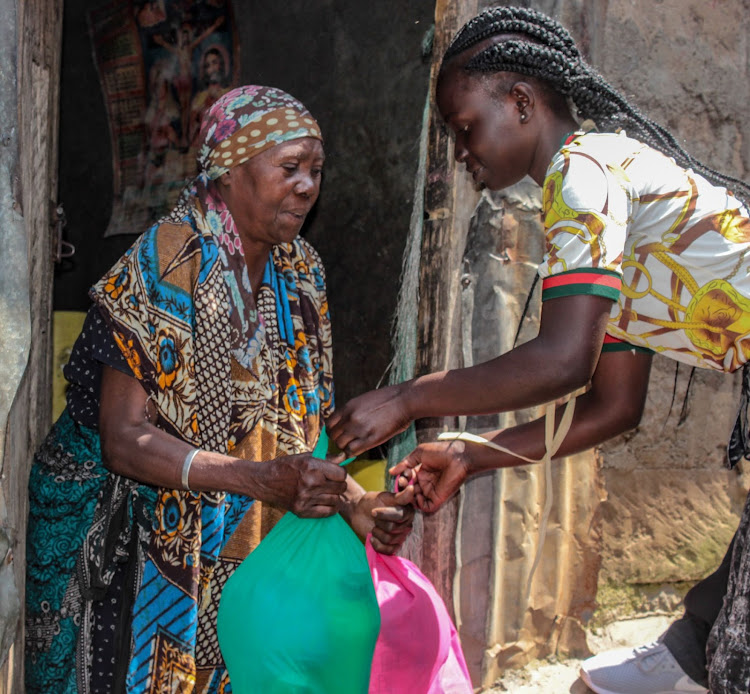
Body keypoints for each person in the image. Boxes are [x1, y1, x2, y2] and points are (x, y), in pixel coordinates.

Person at [326, 7, 750, 694]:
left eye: (466, 131)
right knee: (707, 641)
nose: (463, 156)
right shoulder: (599, 203)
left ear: (521, 103)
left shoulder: (583, 176)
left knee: (723, 647)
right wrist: (471, 453)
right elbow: (613, 405)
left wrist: (409, 398)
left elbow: (560, 360)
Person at [25, 85, 414, 693]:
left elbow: (299, 423)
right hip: (126, 543)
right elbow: (122, 441)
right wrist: (256, 480)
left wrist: (350, 506)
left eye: (315, 170)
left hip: (236, 545)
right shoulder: (164, 264)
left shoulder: (301, 271)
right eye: (289, 168)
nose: (308, 186)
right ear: (229, 168)